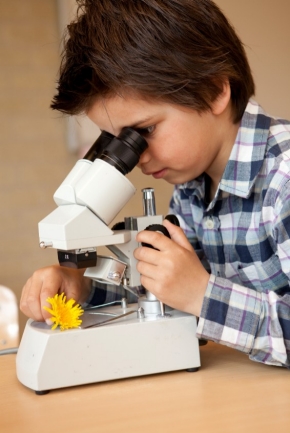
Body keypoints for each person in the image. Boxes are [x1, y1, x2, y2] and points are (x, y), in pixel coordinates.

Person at [20, 0, 290, 368]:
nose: (138, 157)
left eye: (144, 131)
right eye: (114, 139)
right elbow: (167, 291)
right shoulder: (193, 189)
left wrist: (203, 295)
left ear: (213, 91)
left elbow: (194, 295)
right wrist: (82, 287)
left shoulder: (283, 178)